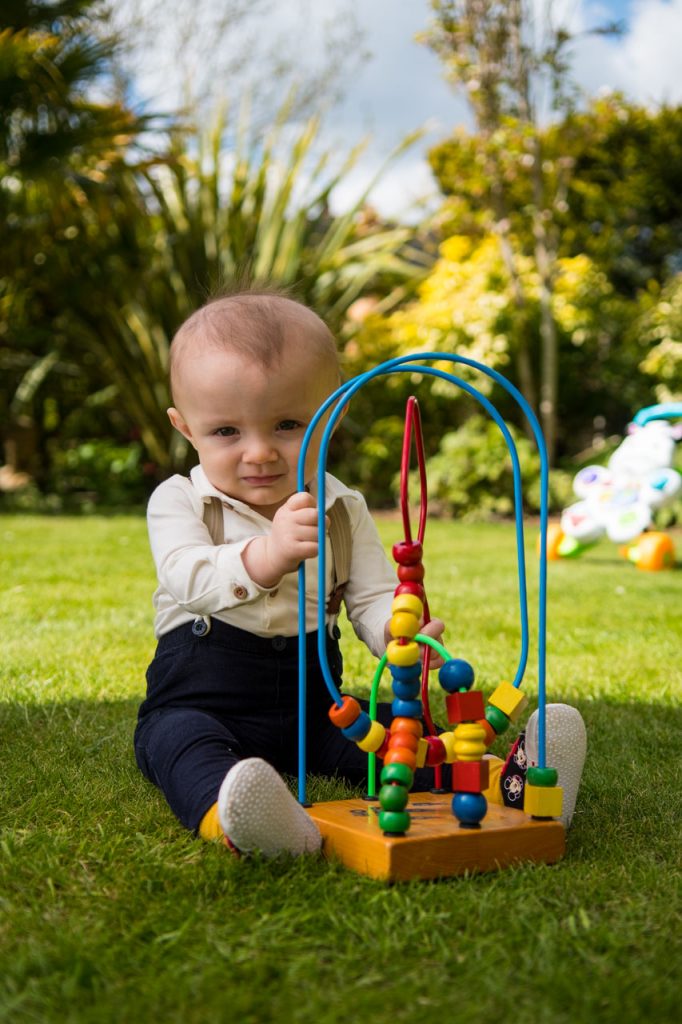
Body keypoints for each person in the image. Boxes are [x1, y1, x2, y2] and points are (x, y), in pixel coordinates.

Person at [135, 288, 586, 858]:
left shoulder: (341, 508)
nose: (260, 452)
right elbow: (187, 577)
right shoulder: (179, 500)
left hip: (315, 706)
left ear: (333, 415)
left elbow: (372, 597)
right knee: (178, 743)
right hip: (202, 699)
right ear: (185, 427)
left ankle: (512, 782)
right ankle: (239, 821)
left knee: (397, 737)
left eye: (288, 424)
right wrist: (268, 555)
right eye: (226, 432)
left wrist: (395, 633)